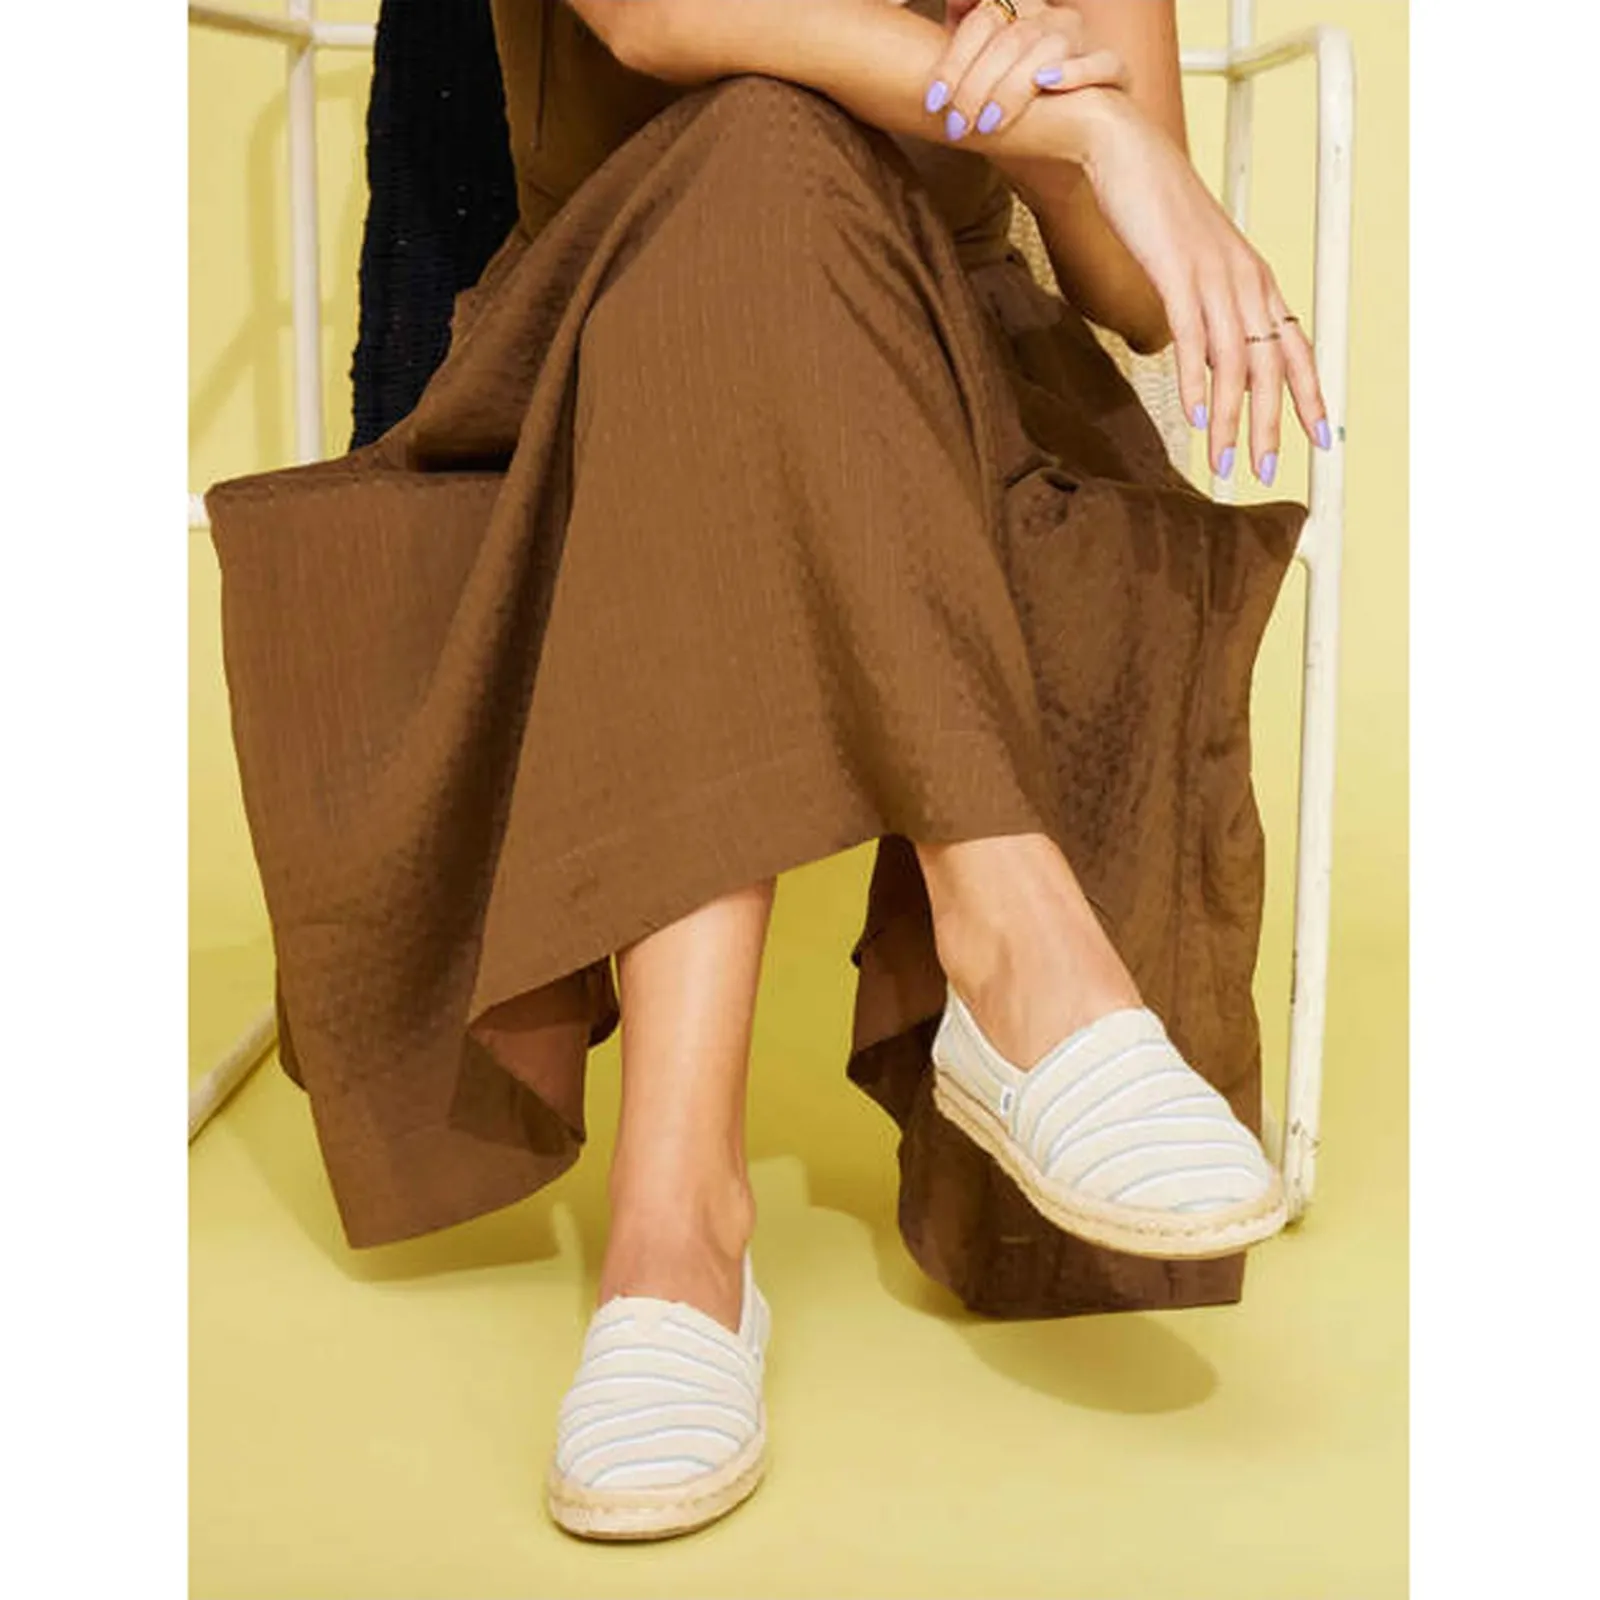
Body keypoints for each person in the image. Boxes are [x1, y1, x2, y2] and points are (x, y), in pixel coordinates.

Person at [205, 0, 1331, 1542]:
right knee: (757, 153)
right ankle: (1016, 949)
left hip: (947, 371)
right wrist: (1072, 118)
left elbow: (1128, 289)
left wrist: (1073, 148)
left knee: (772, 190)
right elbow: (658, 17)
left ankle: (680, 1240)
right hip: (604, 329)